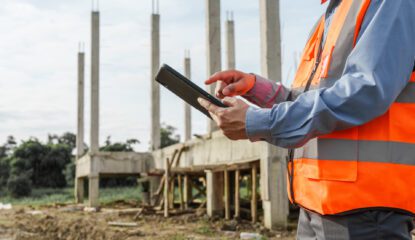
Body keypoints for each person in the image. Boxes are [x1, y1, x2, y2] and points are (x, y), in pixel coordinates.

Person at [198, 0, 415, 239]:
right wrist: (256, 88)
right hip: (315, 202)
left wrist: (259, 122)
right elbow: (311, 101)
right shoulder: (329, 19)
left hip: (364, 208)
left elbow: (365, 91)